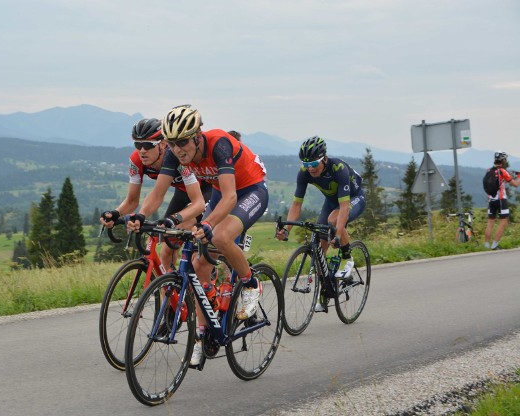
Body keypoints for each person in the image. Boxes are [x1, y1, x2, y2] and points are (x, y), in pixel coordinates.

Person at [160, 104, 268, 366]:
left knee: (219, 236)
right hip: (222, 192)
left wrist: (207, 224)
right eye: (172, 143)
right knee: (198, 265)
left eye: (183, 141)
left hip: (250, 190)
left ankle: (252, 284)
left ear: (197, 136)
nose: (178, 149)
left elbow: (231, 197)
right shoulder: (175, 154)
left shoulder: (218, 143)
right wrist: (146, 217)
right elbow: (158, 193)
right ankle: (201, 332)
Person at [99, 118, 209, 269]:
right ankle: (171, 289)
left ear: (163, 144)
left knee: (186, 228)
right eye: (138, 145)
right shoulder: (136, 160)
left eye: (148, 145)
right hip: (182, 193)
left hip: (207, 190)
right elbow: (132, 201)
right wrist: (116, 213)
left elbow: (197, 202)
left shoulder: (177, 156)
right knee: (166, 252)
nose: (142, 150)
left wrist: (174, 218)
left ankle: (207, 279)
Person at [275, 136, 366, 312]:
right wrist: (287, 229)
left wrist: (338, 235)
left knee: (333, 220)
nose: (310, 168)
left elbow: (344, 207)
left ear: (324, 158)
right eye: (306, 164)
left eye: (314, 164)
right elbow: (296, 204)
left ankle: (347, 258)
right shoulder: (304, 173)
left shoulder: (338, 168)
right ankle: (325, 289)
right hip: (332, 202)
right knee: (320, 245)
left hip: (354, 199)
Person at [484, 152, 520, 250]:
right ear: (503, 161)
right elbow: (515, 184)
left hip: (491, 199)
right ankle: (495, 245)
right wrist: (519, 176)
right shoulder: (502, 171)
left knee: (490, 222)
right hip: (501, 199)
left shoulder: (489, 170)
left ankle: (486, 245)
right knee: (504, 221)